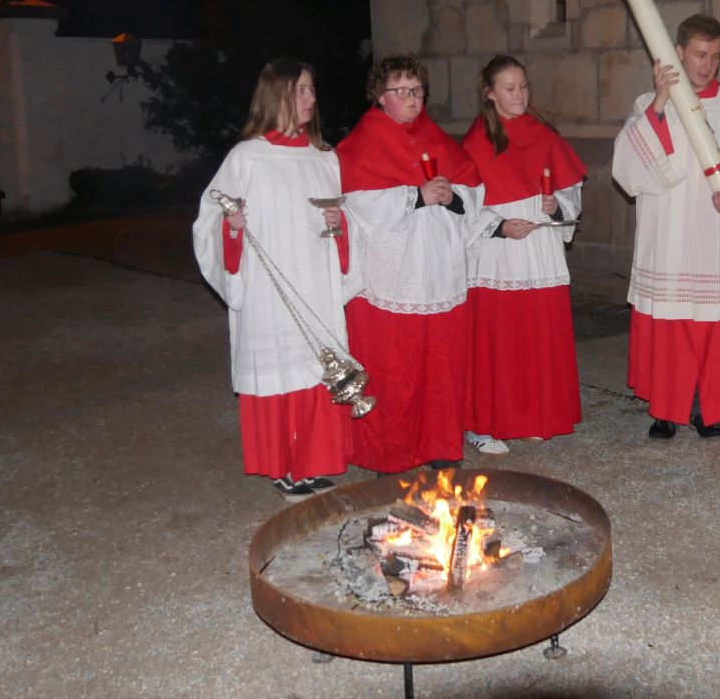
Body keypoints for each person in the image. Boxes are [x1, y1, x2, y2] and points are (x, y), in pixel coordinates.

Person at [192, 58, 352, 501]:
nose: (311, 99)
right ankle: (283, 464)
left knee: (316, 366)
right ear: (275, 95)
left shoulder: (324, 156)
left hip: (314, 279)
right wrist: (232, 225)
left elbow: (344, 215)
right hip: (270, 285)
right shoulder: (247, 157)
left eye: (312, 89)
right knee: (281, 370)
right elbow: (210, 217)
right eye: (301, 90)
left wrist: (340, 222)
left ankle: (314, 461)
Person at [612, 14, 720, 439]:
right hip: (669, 238)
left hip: (717, 236)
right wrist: (660, 106)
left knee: (710, 326)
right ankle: (666, 409)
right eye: (700, 55)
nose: (707, 66)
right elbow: (629, 170)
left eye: (716, 57)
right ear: (677, 52)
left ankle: (706, 408)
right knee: (673, 326)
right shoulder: (649, 104)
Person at [338, 54, 497, 472]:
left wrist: (452, 196)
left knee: (441, 362)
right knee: (395, 365)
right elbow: (359, 205)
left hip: (438, 270)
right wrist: (415, 196)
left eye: (417, 91)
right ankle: (389, 450)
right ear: (380, 95)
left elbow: (472, 187)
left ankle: (440, 443)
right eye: (401, 91)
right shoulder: (361, 142)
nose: (412, 99)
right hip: (392, 276)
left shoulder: (437, 137)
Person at [463, 56, 588, 449]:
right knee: (498, 340)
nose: (520, 95)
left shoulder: (543, 134)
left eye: (524, 87)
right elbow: (463, 204)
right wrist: (499, 226)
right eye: (510, 88)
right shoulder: (476, 140)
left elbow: (569, 191)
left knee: (536, 335)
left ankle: (532, 414)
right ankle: (484, 424)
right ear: (490, 93)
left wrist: (559, 206)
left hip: (539, 248)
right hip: (499, 254)